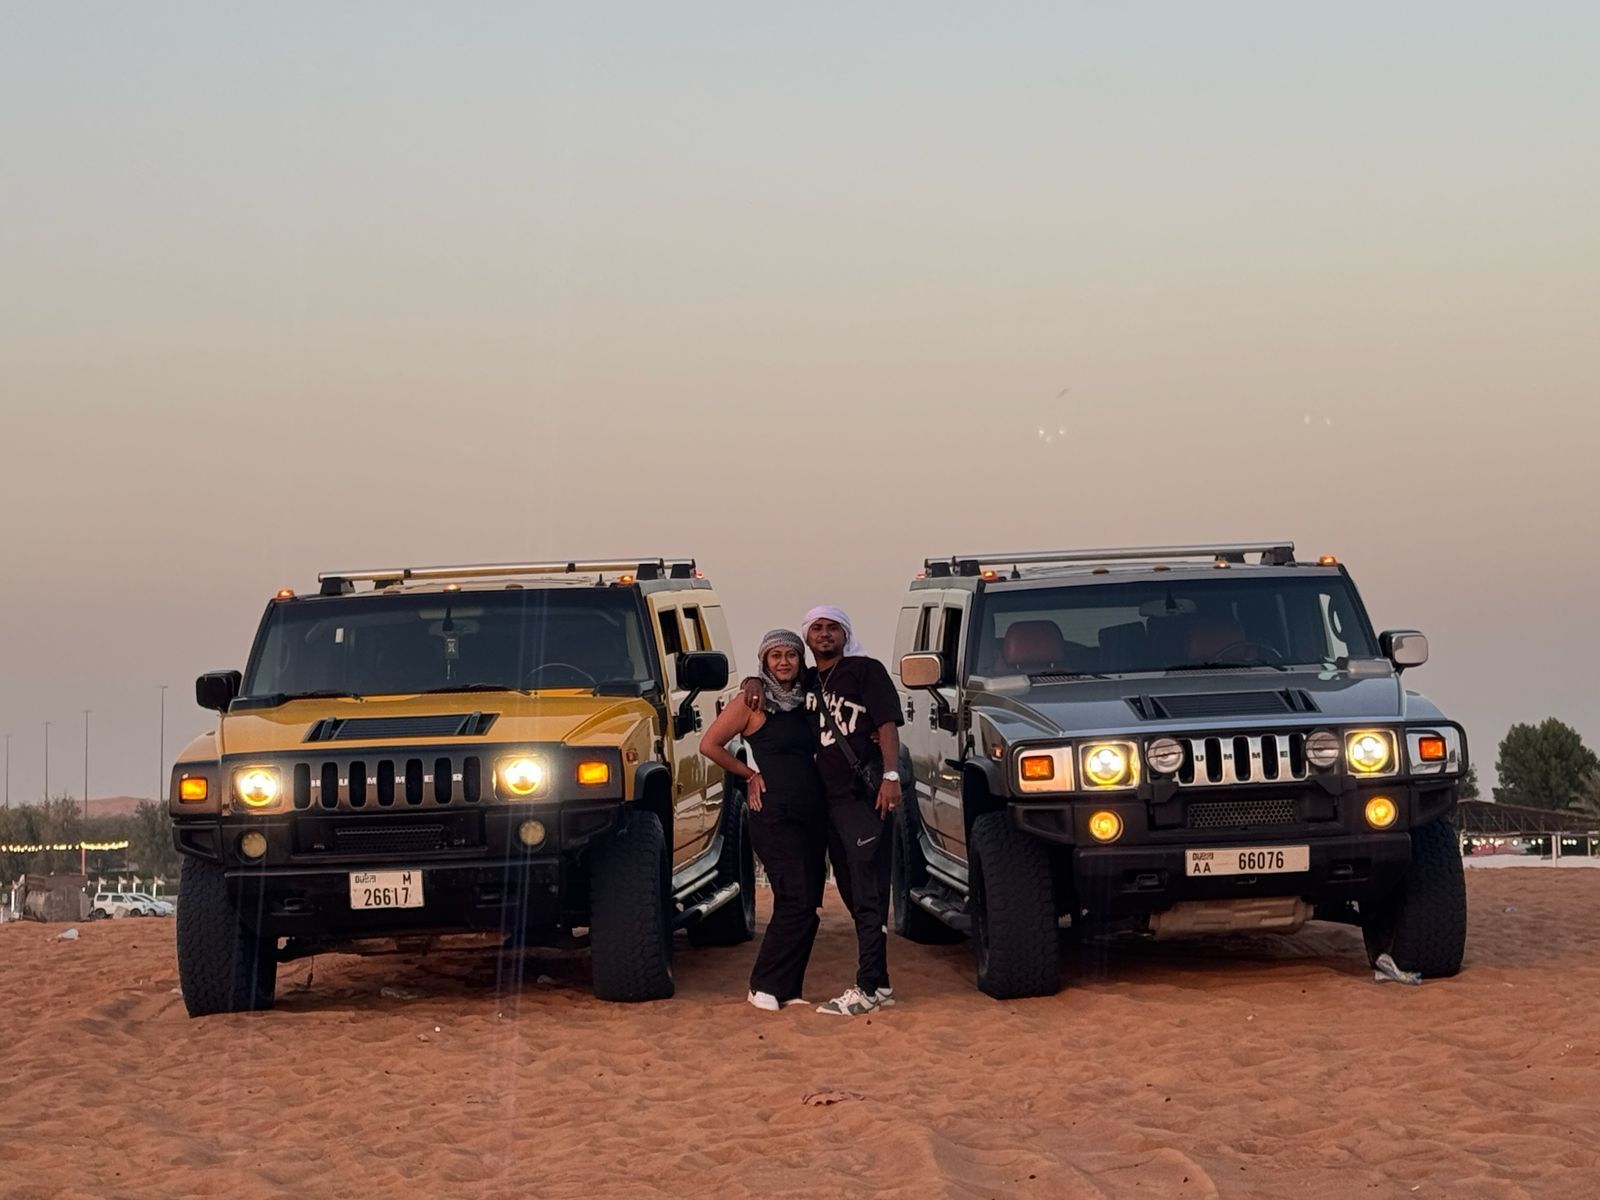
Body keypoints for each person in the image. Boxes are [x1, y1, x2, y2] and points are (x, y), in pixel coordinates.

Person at [741, 605, 904, 1017]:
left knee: (867, 892)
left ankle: (869, 987)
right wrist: (749, 682)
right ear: (807, 637)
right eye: (818, 628)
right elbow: (773, 677)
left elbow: (886, 723)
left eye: (833, 628)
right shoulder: (810, 680)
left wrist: (891, 776)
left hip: (861, 798)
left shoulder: (866, 670)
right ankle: (879, 983)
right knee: (852, 893)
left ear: (845, 634)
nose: (825, 634)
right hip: (827, 805)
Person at [700, 629, 827, 1011]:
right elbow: (709, 745)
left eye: (791, 654)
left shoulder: (810, 697)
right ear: (764, 661)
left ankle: (788, 990)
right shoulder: (752, 702)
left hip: (812, 812)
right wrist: (748, 774)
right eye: (775, 656)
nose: (784, 662)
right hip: (772, 814)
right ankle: (762, 986)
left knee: (809, 904)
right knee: (793, 899)